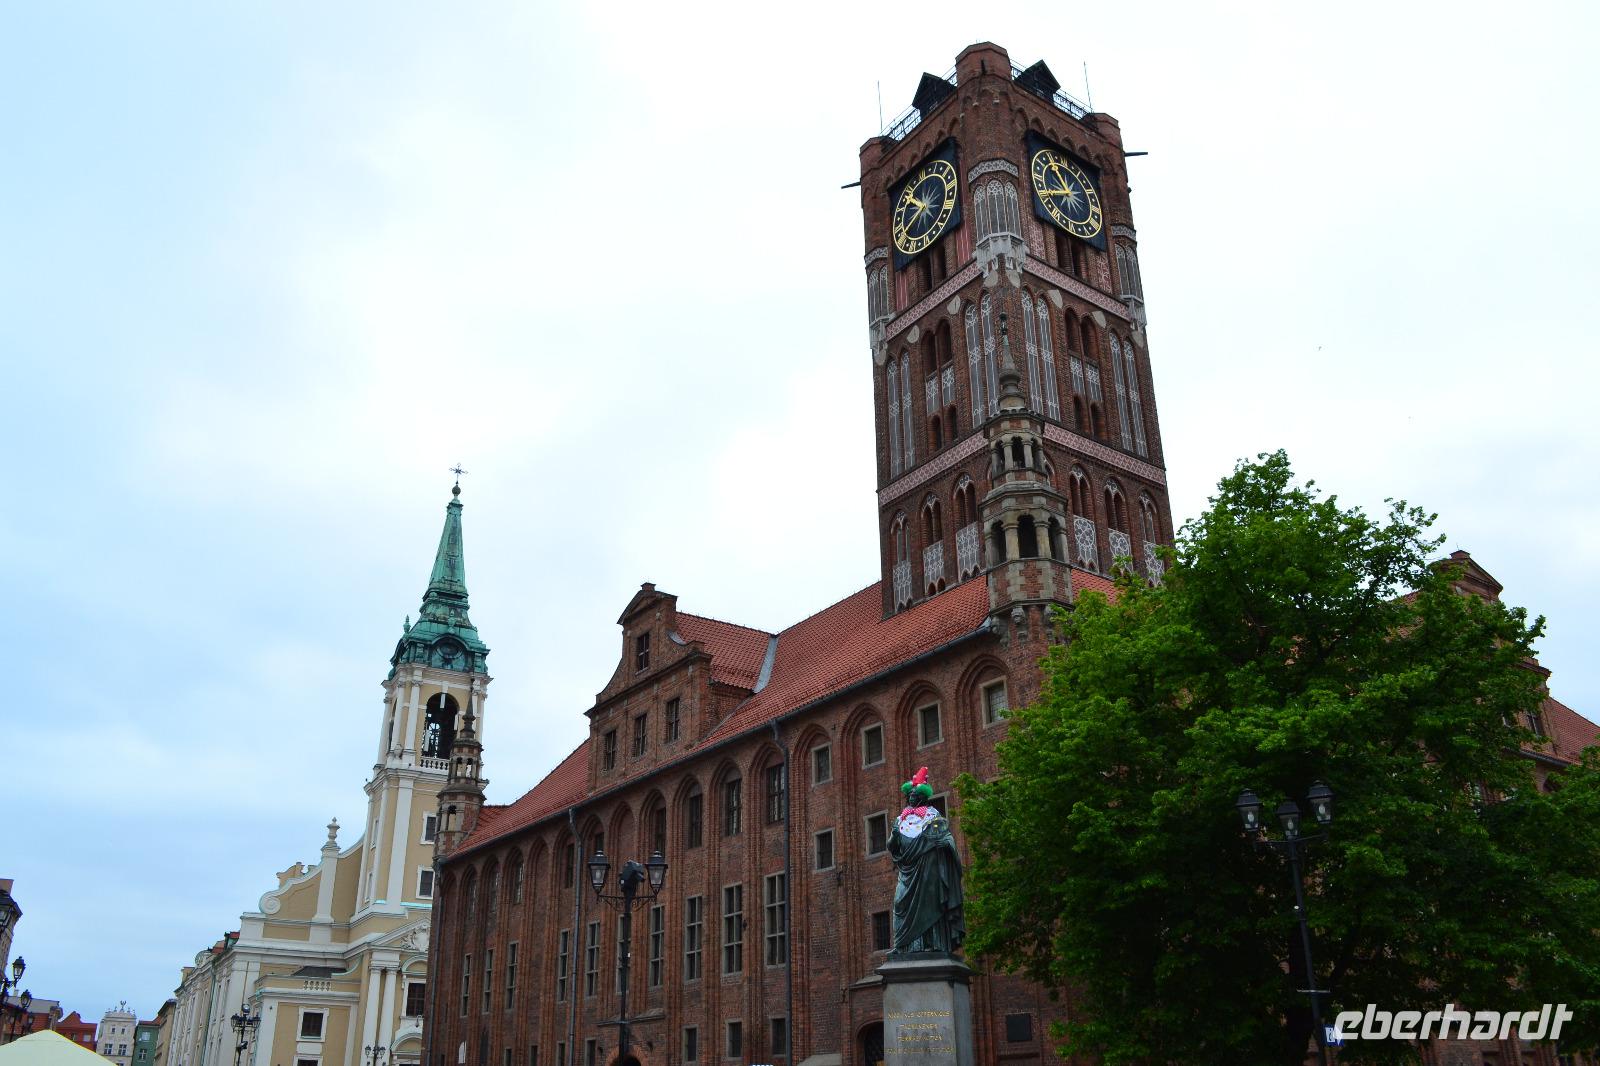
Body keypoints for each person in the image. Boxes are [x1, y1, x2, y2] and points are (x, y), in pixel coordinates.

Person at [889, 766, 965, 956]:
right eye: (910, 794)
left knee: (930, 906)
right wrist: (895, 836)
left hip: (929, 870)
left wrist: (943, 845)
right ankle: (904, 945)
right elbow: (892, 846)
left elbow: (946, 837)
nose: (912, 796)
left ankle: (933, 944)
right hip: (907, 870)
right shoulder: (900, 820)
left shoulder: (932, 816)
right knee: (900, 902)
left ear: (922, 796)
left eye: (916, 794)